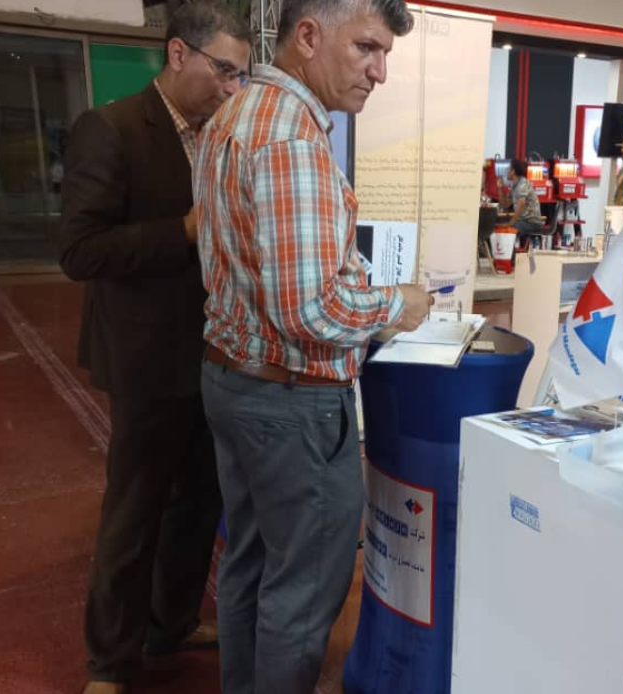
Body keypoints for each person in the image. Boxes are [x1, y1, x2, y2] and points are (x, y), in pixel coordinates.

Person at [191, 1, 432, 692]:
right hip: (290, 401)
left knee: (250, 563)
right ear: (307, 36)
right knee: (303, 588)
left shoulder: (233, 114)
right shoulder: (292, 137)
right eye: (366, 48)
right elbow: (309, 310)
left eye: (384, 55)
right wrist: (399, 305)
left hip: (233, 378)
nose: (379, 72)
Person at [57, 4, 251, 693]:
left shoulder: (216, 135)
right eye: (222, 70)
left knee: (198, 499)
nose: (231, 87)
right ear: (177, 54)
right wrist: (186, 230)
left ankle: (171, 623)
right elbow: (80, 250)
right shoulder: (111, 129)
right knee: (135, 511)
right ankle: (110, 661)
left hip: (212, 353)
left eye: (240, 75)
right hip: (144, 358)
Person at [502, 158, 545, 246]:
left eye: (508, 169)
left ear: (513, 171)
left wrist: (511, 223)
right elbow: (505, 204)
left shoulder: (522, 184)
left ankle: (509, 253)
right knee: (502, 226)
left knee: (506, 229)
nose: (506, 172)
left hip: (531, 222)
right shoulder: (514, 185)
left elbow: (521, 203)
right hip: (523, 221)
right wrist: (500, 188)